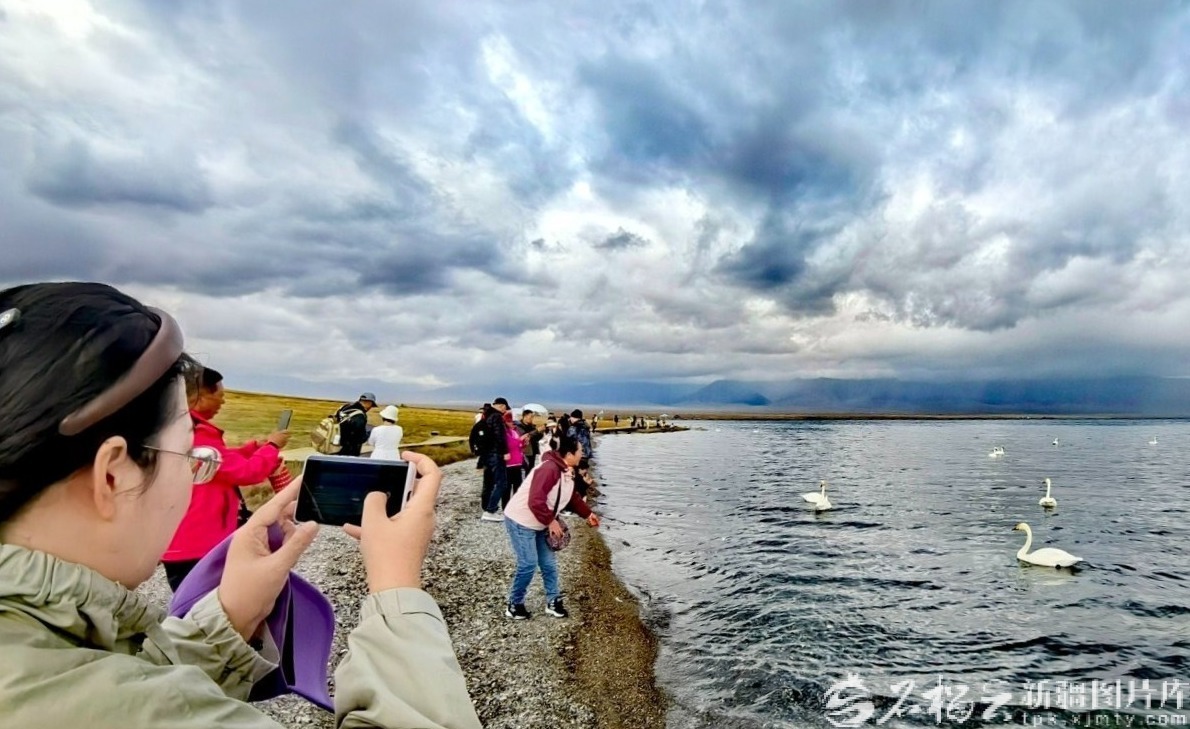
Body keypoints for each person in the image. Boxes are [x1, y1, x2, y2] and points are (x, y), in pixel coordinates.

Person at [0, 282, 482, 727]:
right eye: (191, 455)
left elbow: (125, 680)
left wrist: (227, 617)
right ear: (113, 474)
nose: (197, 470)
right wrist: (397, 586)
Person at [161, 366, 291, 591]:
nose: (222, 402)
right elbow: (247, 472)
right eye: (219, 395)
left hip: (185, 538)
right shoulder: (197, 434)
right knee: (203, 601)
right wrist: (272, 447)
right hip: (198, 540)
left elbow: (220, 463)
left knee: (197, 597)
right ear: (200, 395)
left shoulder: (179, 428)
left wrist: (253, 448)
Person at [502, 434, 599, 620]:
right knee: (528, 563)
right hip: (521, 520)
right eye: (580, 451)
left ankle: (553, 601)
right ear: (569, 454)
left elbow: (571, 497)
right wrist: (551, 521)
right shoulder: (549, 469)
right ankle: (514, 604)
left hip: (541, 520)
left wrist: (588, 514)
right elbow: (535, 500)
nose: (583, 453)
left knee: (548, 563)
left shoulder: (567, 470)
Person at [477, 397, 510, 522]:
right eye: (505, 408)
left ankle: (486, 508)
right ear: (502, 406)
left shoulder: (486, 415)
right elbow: (499, 436)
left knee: (488, 483)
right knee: (502, 483)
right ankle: (490, 510)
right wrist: (505, 451)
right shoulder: (497, 417)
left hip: (487, 454)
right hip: (496, 454)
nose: (505, 411)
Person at [501, 409, 524, 506]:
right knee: (507, 487)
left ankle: (515, 505)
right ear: (506, 422)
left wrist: (523, 442)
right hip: (508, 465)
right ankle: (506, 506)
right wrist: (520, 440)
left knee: (517, 486)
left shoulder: (514, 432)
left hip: (517, 463)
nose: (514, 424)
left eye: (515, 423)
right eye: (511, 422)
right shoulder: (503, 433)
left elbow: (519, 446)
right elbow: (509, 445)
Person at [515, 408, 543, 478]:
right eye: (531, 417)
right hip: (524, 450)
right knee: (524, 467)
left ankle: (528, 481)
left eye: (533, 417)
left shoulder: (532, 426)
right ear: (525, 416)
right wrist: (537, 431)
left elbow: (536, 438)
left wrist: (540, 432)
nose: (532, 418)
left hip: (532, 450)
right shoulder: (518, 426)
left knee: (530, 468)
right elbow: (524, 435)